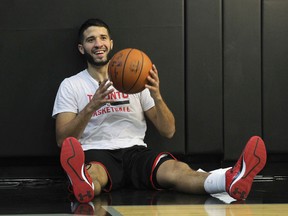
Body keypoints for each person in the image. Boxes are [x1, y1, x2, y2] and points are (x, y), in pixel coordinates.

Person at [52, 18, 267, 203]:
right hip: (97, 151)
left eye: (103, 38)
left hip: (136, 151)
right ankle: (84, 183)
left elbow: (168, 131)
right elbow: (63, 140)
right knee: (96, 174)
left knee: (176, 170)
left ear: (111, 43)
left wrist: (156, 95)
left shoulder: (135, 80)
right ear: (82, 48)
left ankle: (229, 180)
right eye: (91, 40)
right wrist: (91, 106)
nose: (98, 44)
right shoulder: (71, 85)